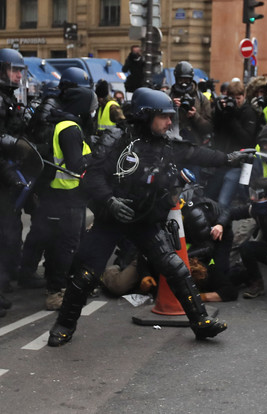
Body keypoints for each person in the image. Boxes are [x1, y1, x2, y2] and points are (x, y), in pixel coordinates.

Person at [46, 88, 253, 347]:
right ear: (146, 115)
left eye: (170, 117)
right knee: (86, 274)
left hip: (144, 219)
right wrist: (110, 201)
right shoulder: (117, 140)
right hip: (111, 220)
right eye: (164, 116)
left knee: (175, 267)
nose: (169, 122)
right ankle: (64, 324)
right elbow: (93, 176)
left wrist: (230, 159)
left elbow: (196, 153)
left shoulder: (165, 144)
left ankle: (200, 322)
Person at [18, 86, 96, 310]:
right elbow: (74, 165)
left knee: (54, 243)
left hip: (54, 194)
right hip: (67, 196)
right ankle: (56, 294)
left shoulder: (60, 123)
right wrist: (94, 158)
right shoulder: (70, 128)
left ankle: (55, 286)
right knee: (67, 246)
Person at [0, 48, 28, 312]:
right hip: (2, 177)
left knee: (10, 232)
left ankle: (6, 278)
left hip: (8, 178)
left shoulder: (8, 98)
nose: (19, 75)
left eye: (21, 70)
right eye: (14, 69)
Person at [208, 80, 261, 208]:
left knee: (224, 199)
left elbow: (246, 139)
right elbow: (216, 132)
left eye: (238, 98)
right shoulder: (225, 110)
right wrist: (219, 113)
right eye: (232, 98)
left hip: (240, 162)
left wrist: (232, 119)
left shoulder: (249, 112)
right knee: (210, 194)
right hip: (224, 158)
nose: (235, 101)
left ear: (244, 96)